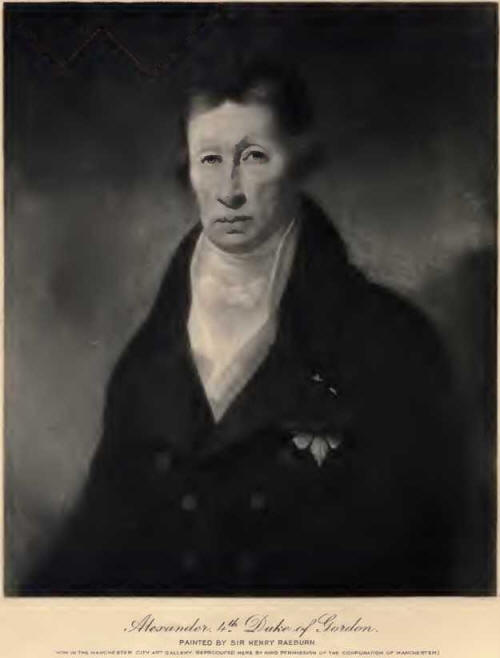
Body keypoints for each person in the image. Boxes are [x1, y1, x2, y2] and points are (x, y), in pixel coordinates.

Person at [24, 57, 472, 596]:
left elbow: (416, 560)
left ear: (298, 162)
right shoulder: (145, 364)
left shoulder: (391, 342)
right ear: (187, 171)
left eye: (254, 156)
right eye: (210, 160)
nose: (229, 190)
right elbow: (98, 546)